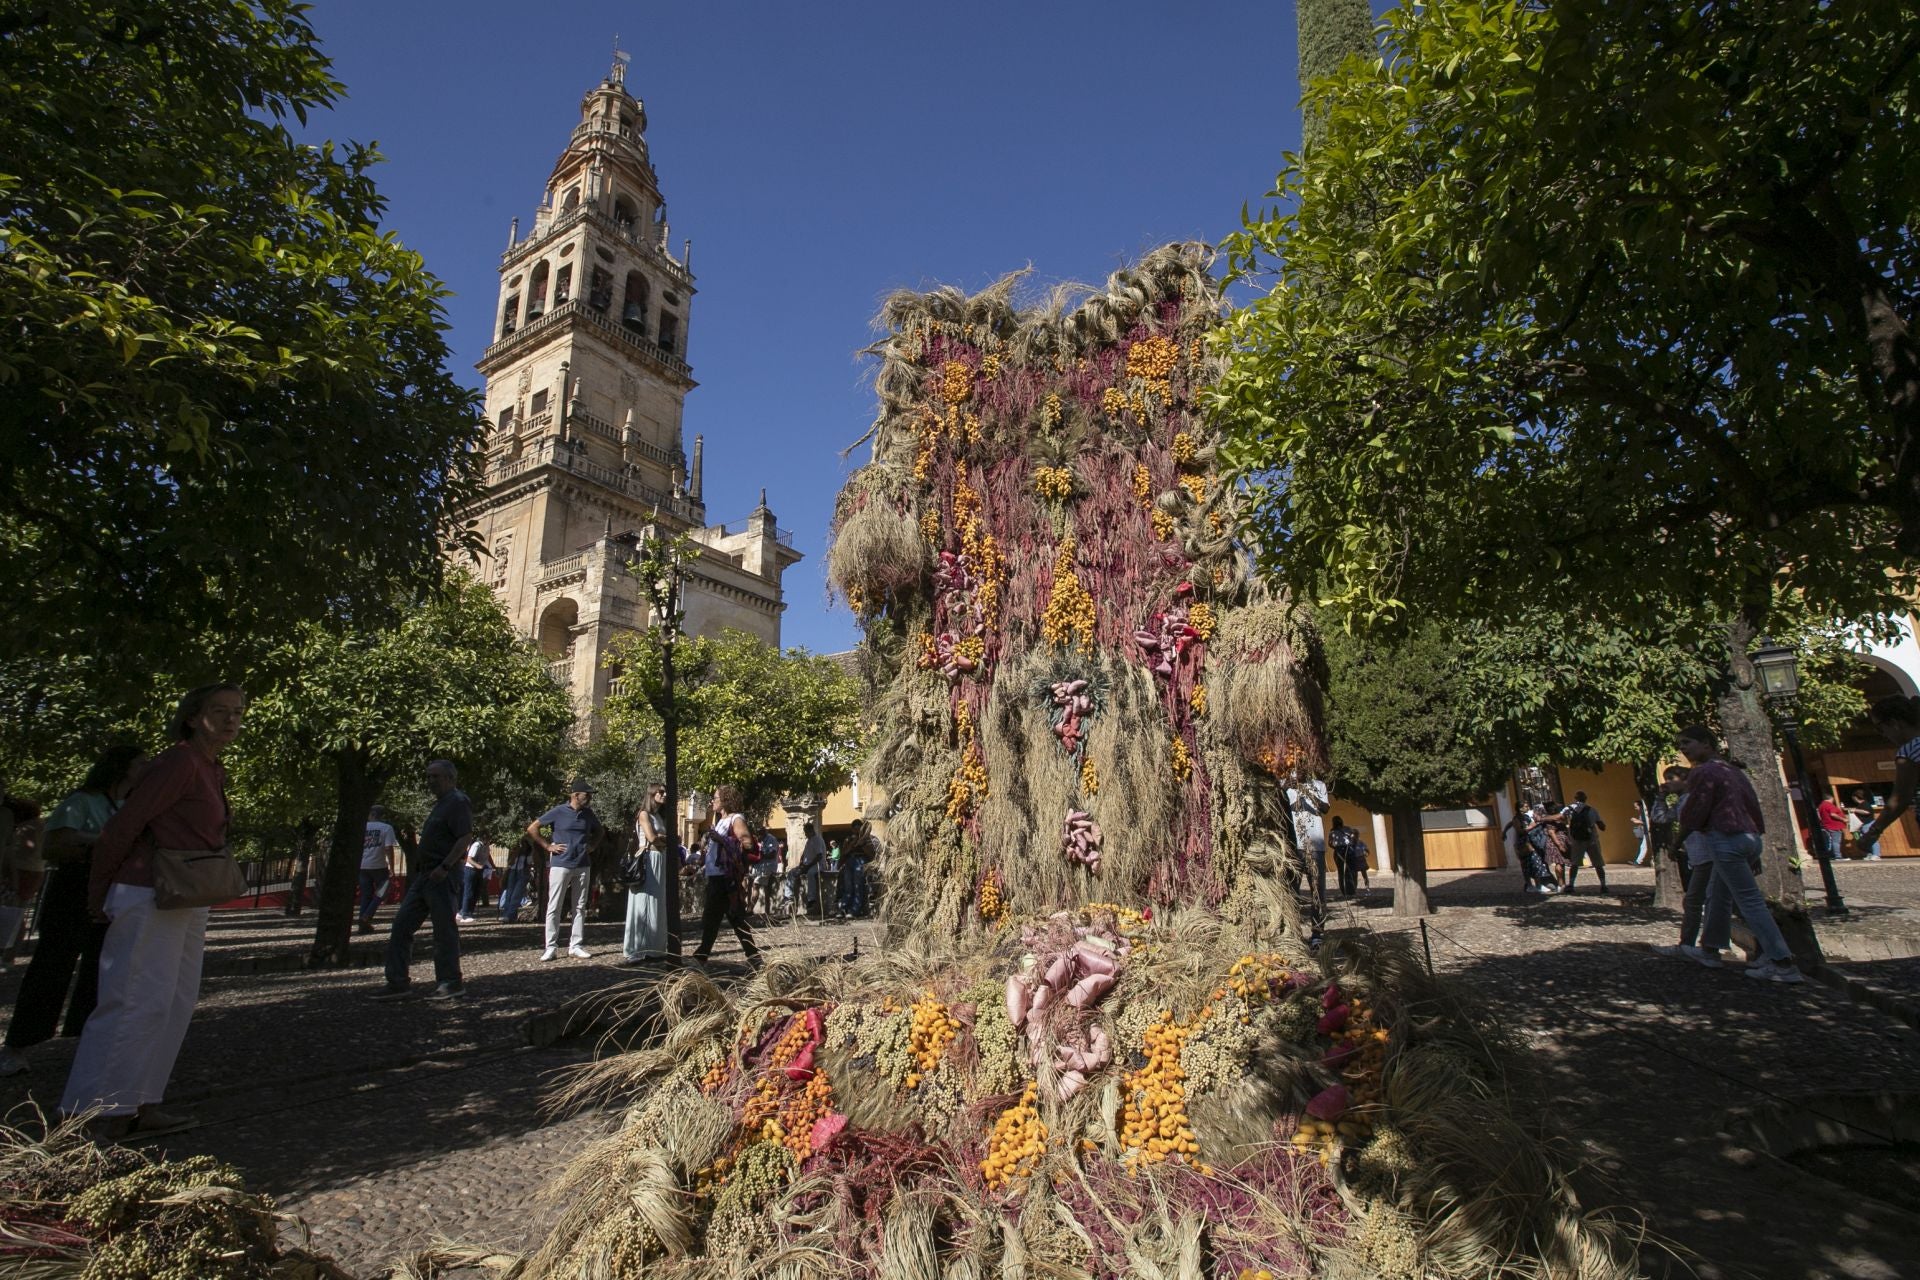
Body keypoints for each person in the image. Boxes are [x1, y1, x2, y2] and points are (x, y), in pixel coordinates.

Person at [59, 683, 246, 1140]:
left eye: (237, 712)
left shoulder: (211, 767)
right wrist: (98, 890)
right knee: (134, 998)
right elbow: (122, 827)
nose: (230, 720)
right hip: (148, 890)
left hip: (187, 894)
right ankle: (93, 1111)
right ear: (192, 716)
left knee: (175, 1001)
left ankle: (142, 1100)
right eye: (218, 711)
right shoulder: (178, 761)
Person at [0, 746, 148, 1079]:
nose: (147, 767)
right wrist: (103, 841)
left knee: (103, 967)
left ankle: (89, 1040)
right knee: (53, 964)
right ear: (121, 767)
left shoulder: (134, 805)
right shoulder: (81, 801)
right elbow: (53, 846)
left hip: (114, 889)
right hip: (74, 887)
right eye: (141, 762)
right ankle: (17, 1045)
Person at [1674, 724, 1804, 984]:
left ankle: (1782, 962)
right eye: (1680, 745)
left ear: (1707, 744)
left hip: (1725, 839)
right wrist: (1756, 842)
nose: (1683, 749)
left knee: (1750, 902)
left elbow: (1695, 812)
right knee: (1719, 896)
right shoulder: (1731, 771)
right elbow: (1752, 804)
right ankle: (1710, 950)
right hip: (1748, 836)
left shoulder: (1704, 772)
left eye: (1687, 743)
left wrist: (1678, 840)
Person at [371, 759, 472, 1002]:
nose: (430, 782)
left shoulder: (457, 802)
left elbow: (464, 837)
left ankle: (450, 982)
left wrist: (445, 866)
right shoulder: (441, 804)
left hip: (441, 875)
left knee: (443, 931)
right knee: (401, 925)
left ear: (449, 778)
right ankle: (397, 982)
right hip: (425, 876)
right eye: (428, 777)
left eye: (434, 777)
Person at [529, 779, 602, 961]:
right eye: (587, 794)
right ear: (576, 795)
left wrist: (592, 846)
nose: (590, 798)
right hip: (561, 864)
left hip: (583, 864)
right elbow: (533, 828)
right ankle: (551, 946)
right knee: (554, 906)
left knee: (580, 906)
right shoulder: (558, 811)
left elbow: (600, 831)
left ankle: (576, 945)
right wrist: (547, 846)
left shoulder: (588, 814)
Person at [693, 786, 760, 965]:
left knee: (714, 917)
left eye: (715, 798)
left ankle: (701, 955)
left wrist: (721, 840)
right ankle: (753, 957)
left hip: (725, 876)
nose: (712, 801)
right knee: (734, 917)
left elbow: (746, 843)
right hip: (716, 875)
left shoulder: (736, 819)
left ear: (725, 800)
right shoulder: (720, 820)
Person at [1857, 695, 1920, 861]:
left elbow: (1900, 799)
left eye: (1880, 728)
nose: (1883, 735)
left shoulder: (1909, 752)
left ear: (1894, 723)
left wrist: (1873, 832)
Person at [624, 784, 672, 962]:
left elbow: (662, 839)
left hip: (659, 857)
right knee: (644, 901)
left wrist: (663, 840)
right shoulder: (644, 814)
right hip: (648, 859)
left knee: (657, 902)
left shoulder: (658, 816)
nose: (664, 794)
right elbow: (652, 838)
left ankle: (654, 948)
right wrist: (665, 839)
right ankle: (637, 949)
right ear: (652, 794)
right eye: (660, 792)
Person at [1286, 776, 1331, 903]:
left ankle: (1318, 922)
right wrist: (1284, 788)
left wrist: (1308, 794)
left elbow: (1325, 808)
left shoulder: (1319, 784)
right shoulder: (1285, 784)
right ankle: (1292, 921)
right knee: (1291, 888)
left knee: (1318, 889)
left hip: (1315, 846)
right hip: (1293, 845)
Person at [358, 805, 399, 934]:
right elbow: (388, 848)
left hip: (362, 865)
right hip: (379, 865)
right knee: (383, 890)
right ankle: (367, 915)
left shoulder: (361, 827)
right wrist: (391, 867)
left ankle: (362, 924)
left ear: (371, 814)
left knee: (366, 894)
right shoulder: (386, 828)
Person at [1561, 791, 1609, 893]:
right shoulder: (1592, 810)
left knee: (1574, 864)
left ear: (1575, 798)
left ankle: (1571, 885)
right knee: (1598, 863)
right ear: (1585, 798)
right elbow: (1601, 826)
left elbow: (1560, 818)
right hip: (1591, 839)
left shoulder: (1568, 809)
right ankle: (1603, 885)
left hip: (1576, 840)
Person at [791, 819, 827, 921]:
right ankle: (790, 897)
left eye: (806, 831)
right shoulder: (809, 841)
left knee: (811, 874)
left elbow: (819, 856)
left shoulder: (817, 840)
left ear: (810, 830)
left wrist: (808, 866)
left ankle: (812, 900)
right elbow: (804, 854)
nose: (805, 834)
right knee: (792, 873)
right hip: (808, 864)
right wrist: (802, 863)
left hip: (818, 865)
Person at [840, 820, 875, 918]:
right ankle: (843, 908)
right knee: (848, 887)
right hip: (850, 861)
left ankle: (854, 910)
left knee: (857, 886)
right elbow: (844, 853)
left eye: (858, 828)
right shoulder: (849, 839)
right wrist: (852, 844)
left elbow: (872, 855)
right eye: (854, 828)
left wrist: (862, 844)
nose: (856, 830)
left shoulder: (868, 840)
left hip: (861, 861)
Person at [457, 832, 493, 923]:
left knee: (477, 892)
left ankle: (464, 912)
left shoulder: (486, 847)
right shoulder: (477, 845)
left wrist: (492, 867)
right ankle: (465, 915)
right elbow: (469, 859)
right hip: (471, 870)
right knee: (469, 892)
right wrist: (478, 866)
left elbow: (486, 860)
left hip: (479, 871)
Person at [499, 835, 535, 923]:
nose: (522, 846)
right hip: (512, 871)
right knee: (509, 894)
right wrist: (516, 853)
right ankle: (508, 915)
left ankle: (509, 915)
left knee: (516, 895)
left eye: (524, 844)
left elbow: (529, 864)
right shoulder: (515, 851)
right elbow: (510, 862)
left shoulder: (529, 853)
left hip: (522, 873)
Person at [1328, 816, 1365, 898]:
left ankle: (1348, 891)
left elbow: (1330, 843)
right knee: (1348, 871)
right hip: (1346, 850)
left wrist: (1337, 847)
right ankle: (1349, 891)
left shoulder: (1335, 831)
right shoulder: (1345, 829)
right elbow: (1354, 838)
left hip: (1343, 850)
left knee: (1346, 872)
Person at [1815, 788, 1849, 865]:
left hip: (1826, 825)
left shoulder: (1821, 806)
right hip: (1834, 826)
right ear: (1831, 798)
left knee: (1829, 841)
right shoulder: (1829, 805)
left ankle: (1831, 855)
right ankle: (1838, 856)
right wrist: (1843, 819)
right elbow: (1833, 814)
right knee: (1836, 841)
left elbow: (1819, 816)